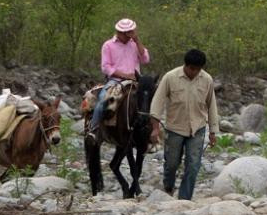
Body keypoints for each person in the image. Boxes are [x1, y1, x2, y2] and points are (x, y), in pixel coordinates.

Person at [149, 49, 219, 201]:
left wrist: (213, 131)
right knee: (172, 164)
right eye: (192, 69)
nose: (194, 72)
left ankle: (184, 199)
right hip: (174, 128)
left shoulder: (207, 80)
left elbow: (211, 105)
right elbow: (157, 103)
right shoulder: (170, 77)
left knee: (193, 165)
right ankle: (168, 187)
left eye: (198, 69)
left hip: (198, 128)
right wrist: (155, 128)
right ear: (185, 66)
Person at [88, 18, 150, 146]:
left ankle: (152, 135)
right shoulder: (108, 45)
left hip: (136, 80)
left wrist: (137, 40)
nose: (129, 35)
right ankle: (93, 130)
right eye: (127, 32)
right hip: (116, 81)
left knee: (149, 99)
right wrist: (125, 75)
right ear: (119, 32)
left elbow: (145, 59)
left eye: (131, 32)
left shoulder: (134, 44)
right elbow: (106, 67)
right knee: (103, 99)